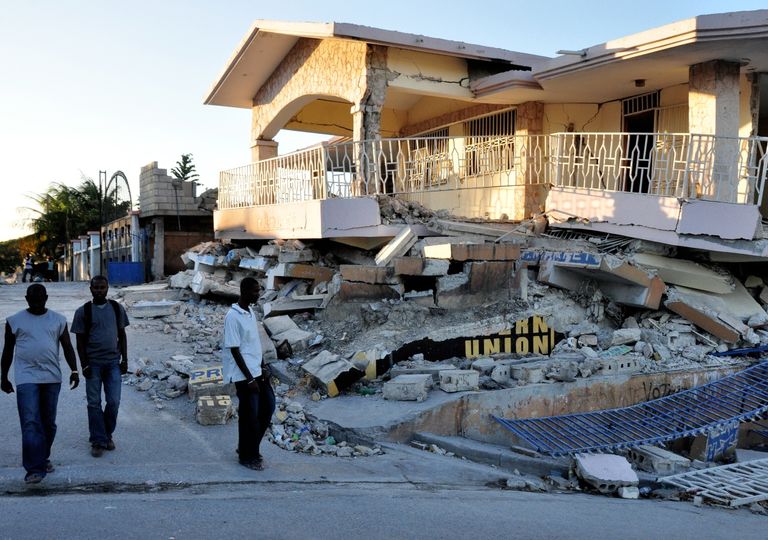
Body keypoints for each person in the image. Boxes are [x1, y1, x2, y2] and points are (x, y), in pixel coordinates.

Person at [1, 284, 79, 484]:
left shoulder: (58, 320)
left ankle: (42, 458)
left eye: (40, 298)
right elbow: (7, 351)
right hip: (26, 377)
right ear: (26, 299)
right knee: (30, 422)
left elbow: (68, 347)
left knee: (48, 423)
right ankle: (34, 469)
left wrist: (75, 370)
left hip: (51, 377)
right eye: (32, 299)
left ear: (46, 298)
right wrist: (4, 377)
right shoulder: (14, 321)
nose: (36, 302)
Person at [70, 275, 129, 458]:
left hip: (113, 363)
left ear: (107, 288)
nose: (99, 291)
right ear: (90, 289)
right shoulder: (83, 311)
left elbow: (122, 335)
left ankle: (107, 434)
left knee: (113, 402)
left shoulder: (116, 308)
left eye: (102, 287)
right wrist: (84, 365)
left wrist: (125, 360)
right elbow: (79, 342)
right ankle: (98, 440)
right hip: (93, 364)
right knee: (94, 403)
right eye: (96, 288)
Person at [222, 277, 275, 471]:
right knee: (249, 417)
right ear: (244, 292)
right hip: (243, 375)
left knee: (268, 408)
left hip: (256, 370)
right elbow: (235, 350)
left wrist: (263, 367)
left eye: (258, 291)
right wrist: (250, 378)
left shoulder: (250, 312)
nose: (258, 294)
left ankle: (248, 447)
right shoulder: (232, 316)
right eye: (254, 291)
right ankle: (247, 455)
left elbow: (254, 344)